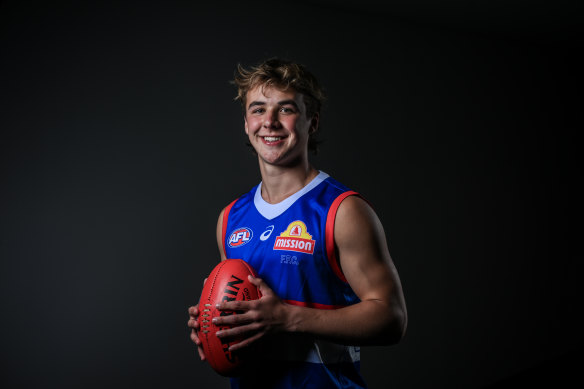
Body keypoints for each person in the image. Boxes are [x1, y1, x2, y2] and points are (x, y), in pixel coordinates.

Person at [188, 58, 407, 388]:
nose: (270, 122)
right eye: (258, 109)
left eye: (286, 109)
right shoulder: (230, 218)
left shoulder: (342, 210)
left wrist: (289, 318)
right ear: (246, 123)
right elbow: (240, 313)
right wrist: (212, 327)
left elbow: (392, 318)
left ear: (312, 122)